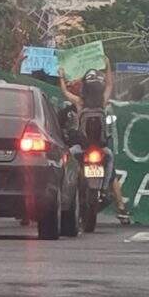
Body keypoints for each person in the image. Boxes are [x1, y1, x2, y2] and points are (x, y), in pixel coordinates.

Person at [59, 59, 130, 224]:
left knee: (68, 159)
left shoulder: (80, 102)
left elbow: (64, 91)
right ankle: (104, 189)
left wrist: (61, 77)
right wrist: (108, 66)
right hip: (100, 147)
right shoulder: (102, 102)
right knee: (110, 158)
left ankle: (68, 187)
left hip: (82, 148)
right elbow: (110, 86)